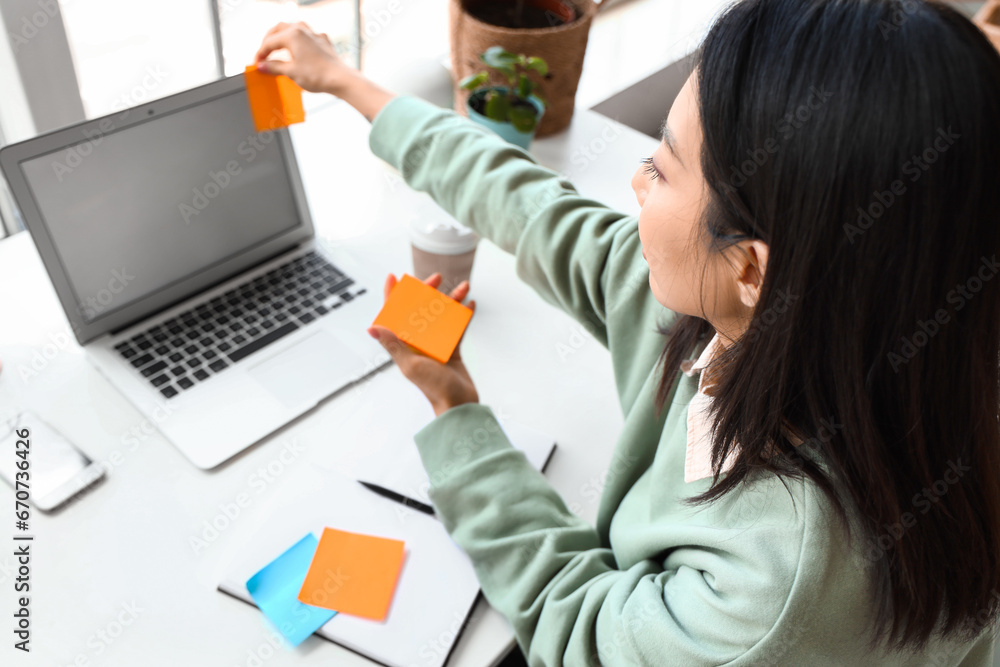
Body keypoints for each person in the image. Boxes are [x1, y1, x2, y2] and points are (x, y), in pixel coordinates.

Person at [254, 0, 1000, 663]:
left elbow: (577, 624)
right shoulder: (855, 317)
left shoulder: (771, 590)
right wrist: (350, 86)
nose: (636, 183)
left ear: (749, 267)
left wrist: (457, 414)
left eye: (662, 166)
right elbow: (539, 212)